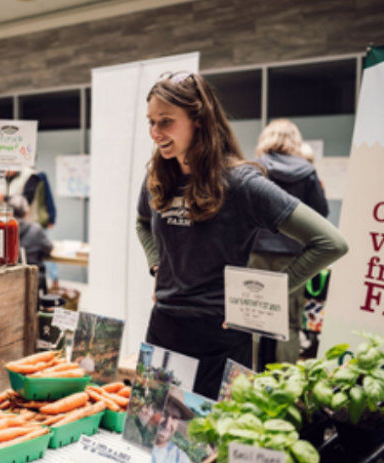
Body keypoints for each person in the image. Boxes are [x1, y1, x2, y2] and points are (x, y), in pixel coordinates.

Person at [136, 72, 348, 399]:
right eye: (151, 122)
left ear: (200, 120)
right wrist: (156, 265)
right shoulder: (159, 175)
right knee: (150, 437)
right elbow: (141, 222)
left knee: (209, 443)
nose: (155, 133)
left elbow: (330, 242)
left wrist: (263, 300)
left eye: (166, 121)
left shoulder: (240, 182)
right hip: (163, 328)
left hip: (219, 337)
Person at [249, 119, 329, 367]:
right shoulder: (306, 171)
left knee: (249, 317)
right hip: (293, 256)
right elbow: (321, 212)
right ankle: (284, 385)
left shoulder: (254, 168)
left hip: (255, 254)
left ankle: (243, 379)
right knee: (289, 322)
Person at [9, 195, 53, 293]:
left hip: (9, 279)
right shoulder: (36, 230)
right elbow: (48, 249)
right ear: (27, 211)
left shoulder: (4, 230)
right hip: (34, 280)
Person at [152, 388, 194, 463]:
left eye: (175, 417)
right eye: (164, 413)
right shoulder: (135, 434)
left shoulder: (180, 458)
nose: (167, 425)